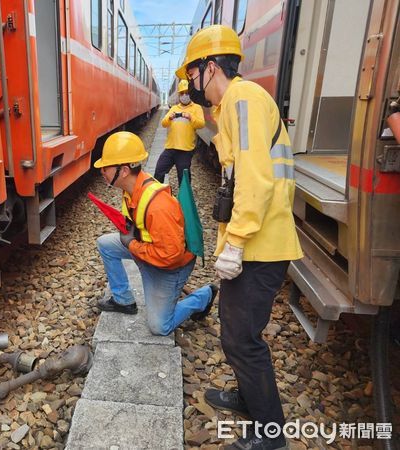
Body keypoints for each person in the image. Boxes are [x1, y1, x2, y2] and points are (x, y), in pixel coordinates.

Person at [177, 25, 303, 450]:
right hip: (255, 242)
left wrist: (237, 241)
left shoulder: (243, 99)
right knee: (234, 331)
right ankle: (249, 400)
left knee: (241, 339)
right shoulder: (233, 102)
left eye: (193, 75)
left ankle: (271, 435)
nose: (191, 86)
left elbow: (253, 178)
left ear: (210, 68)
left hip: (259, 245)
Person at [93, 131, 217, 336]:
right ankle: (123, 300)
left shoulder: (158, 206)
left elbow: (171, 255)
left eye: (105, 167)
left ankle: (203, 296)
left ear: (123, 171)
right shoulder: (131, 189)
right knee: (105, 244)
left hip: (170, 266)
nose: (102, 171)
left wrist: (131, 244)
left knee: (160, 327)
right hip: (149, 252)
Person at [154, 79, 205, 186]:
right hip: (170, 148)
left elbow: (201, 124)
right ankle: (158, 194)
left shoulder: (196, 108)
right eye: (182, 93)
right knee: (159, 170)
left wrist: (191, 117)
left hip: (185, 150)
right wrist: (169, 118)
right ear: (179, 95)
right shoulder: (174, 108)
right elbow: (164, 123)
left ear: (190, 93)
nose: (184, 95)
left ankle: (184, 200)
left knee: (184, 179)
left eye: (187, 93)